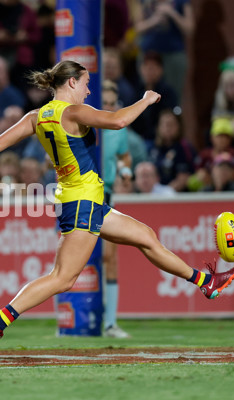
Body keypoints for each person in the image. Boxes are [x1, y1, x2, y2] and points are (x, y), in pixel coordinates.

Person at [0, 60, 234, 362]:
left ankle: (206, 283)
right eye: (85, 83)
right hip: (83, 202)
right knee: (63, 278)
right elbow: (118, 121)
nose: (88, 90)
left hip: (86, 200)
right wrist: (146, 100)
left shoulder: (37, 116)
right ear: (71, 82)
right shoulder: (72, 111)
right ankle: (1, 318)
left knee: (146, 237)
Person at [101, 80, 132, 338]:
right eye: (105, 103)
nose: (110, 108)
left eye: (113, 103)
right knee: (69, 263)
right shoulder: (82, 126)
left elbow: (123, 155)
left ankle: (110, 323)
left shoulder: (118, 129)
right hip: (78, 196)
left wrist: (125, 170)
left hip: (106, 194)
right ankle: (71, 319)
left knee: (110, 257)